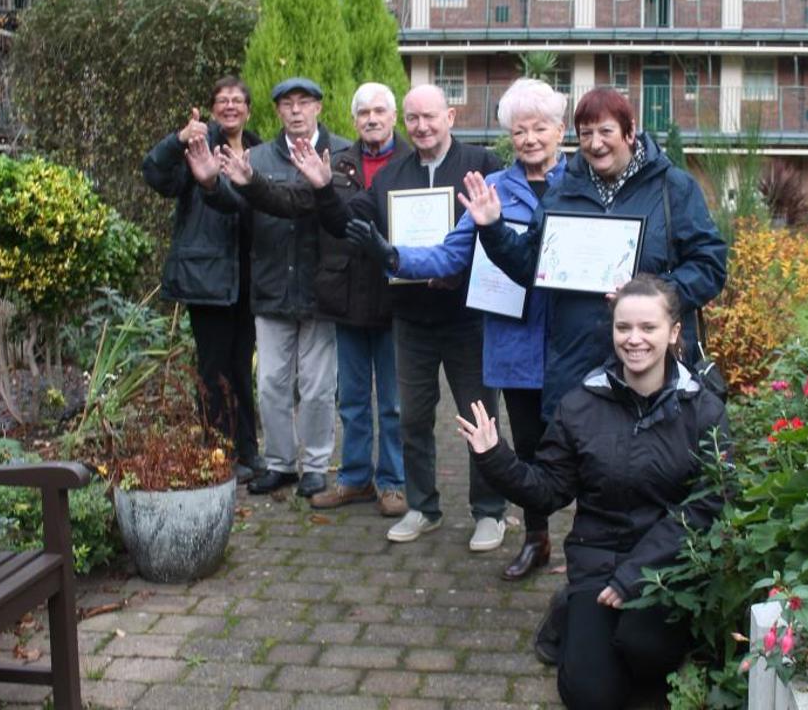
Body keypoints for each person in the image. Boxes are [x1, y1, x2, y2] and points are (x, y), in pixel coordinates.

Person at [456, 275, 732, 710]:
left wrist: (634, 575)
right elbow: (548, 491)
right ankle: (574, 611)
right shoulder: (581, 404)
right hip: (598, 558)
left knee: (646, 651)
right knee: (587, 694)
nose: (634, 339)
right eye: (624, 328)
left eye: (648, 328)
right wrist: (495, 458)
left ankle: (603, 630)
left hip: (667, 568)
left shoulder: (704, 410)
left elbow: (706, 506)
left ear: (674, 333)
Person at [273, 84, 509, 553]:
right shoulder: (391, 176)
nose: (421, 126)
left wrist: (456, 273)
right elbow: (348, 223)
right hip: (412, 318)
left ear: (451, 117)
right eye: (414, 119)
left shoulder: (481, 165)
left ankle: (490, 511)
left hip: (468, 317)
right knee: (414, 419)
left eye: (430, 117)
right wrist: (322, 188)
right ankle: (423, 506)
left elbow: (498, 232)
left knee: (478, 416)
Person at [349, 78, 566, 579]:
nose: (530, 138)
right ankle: (498, 525)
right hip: (493, 326)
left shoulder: (562, 180)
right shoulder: (494, 186)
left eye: (540, 128)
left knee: (547, 430)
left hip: (542, 328)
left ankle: (500, 514)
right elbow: (452, 247)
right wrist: (394, 256)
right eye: (520, 130)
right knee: (443, 421)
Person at [461, 87, 728, 418]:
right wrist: (492, 228)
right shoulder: (564, 191)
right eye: (586, 133)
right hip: (577, 369)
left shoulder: (673, 188)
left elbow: (710, 264)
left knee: (649, 459)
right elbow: (531, 265)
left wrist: (657, 294)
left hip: (651, 367)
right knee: (573, 462)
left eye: (606, 131)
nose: (595, 143)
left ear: (629, 131)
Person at [223, 82, 412, 518]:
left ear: (393, 115)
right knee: (348, 398)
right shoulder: (339, 162)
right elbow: (293, 202)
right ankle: (352, 477)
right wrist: (250, 181)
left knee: (390, 400)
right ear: (353, 117)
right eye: (364, 112)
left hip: (393, 294)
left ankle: (393, 482)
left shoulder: (408, 162)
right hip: (343, 297)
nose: (371, 118)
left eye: (380, 111)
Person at [191, 77, 350, 498]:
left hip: (321, 289)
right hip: (271, 283)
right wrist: (210, 184)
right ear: (277, 111)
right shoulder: (256, 156)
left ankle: (315, 464)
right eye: (287, 104)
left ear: (318, 107)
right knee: (272, 384)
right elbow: (235, 205)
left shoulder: (342, 152)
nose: (296, 111)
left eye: (304, 102)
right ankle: (280, 462)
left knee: (317, 386)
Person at [142, 76, 262, 482]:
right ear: (212, 109)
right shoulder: (196, 146)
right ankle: (217, 452)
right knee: (213, 370)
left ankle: (248, 451)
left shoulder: (260, 150)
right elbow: (155, 174)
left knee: (242, 368)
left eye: (237, 100)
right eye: (222, 101)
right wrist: (177, 140)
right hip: (207, 277)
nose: (230, 106)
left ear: (247, 109)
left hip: (248, 276)